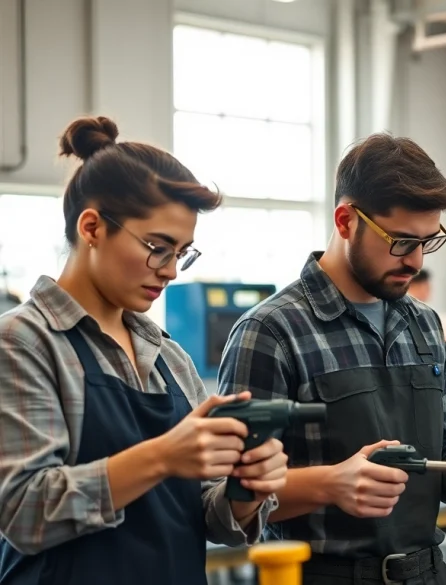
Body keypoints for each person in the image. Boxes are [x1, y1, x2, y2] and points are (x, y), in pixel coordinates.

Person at [217, 133, 446, 585]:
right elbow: (230, 500)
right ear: (346, 220)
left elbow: (445, 451)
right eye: (402, 242)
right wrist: (331, 484)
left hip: (427, 573)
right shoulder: (270, 333)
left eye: (428, 241)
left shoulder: (424, 325)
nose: (416, 261)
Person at [0, 116, 286, 585]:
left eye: (183, 253)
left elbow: (205, 513)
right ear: (92, 227)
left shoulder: (168, 356)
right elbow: (26, 512)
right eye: (158, 247)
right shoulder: (23, 342)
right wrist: (162, 457)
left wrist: (246, 489)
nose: (172, 271)